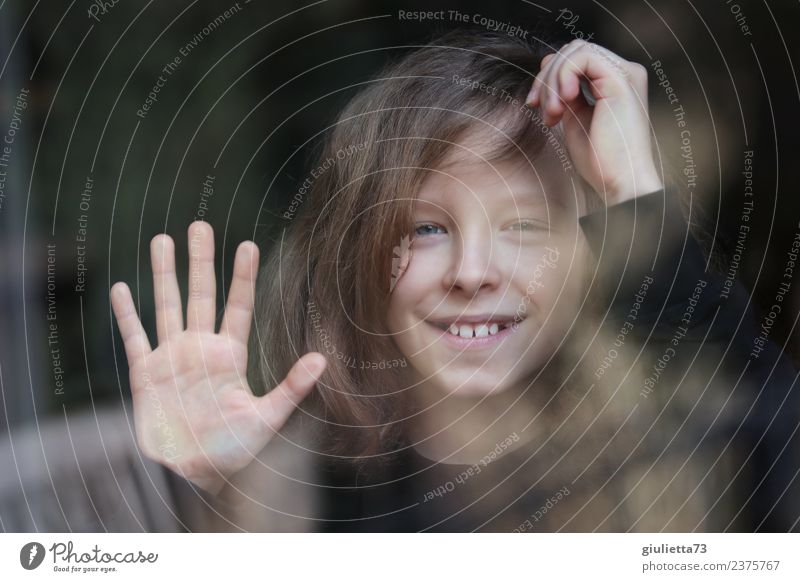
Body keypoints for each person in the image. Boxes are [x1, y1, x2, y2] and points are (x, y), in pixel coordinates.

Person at [110, 30, 800, 532]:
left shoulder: (672, 450)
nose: (473, 272)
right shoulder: (319, 488)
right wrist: (230, 499)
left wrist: (635, 192)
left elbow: (769, 434)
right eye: (426, 229)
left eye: (524, 226)